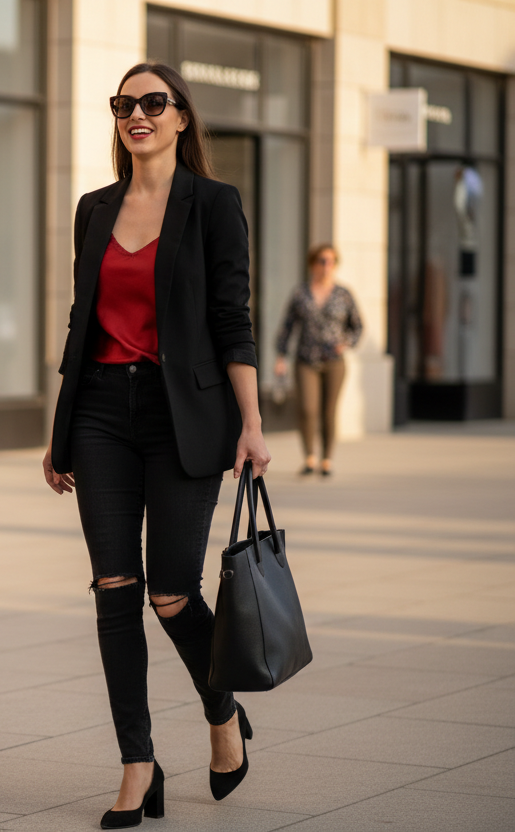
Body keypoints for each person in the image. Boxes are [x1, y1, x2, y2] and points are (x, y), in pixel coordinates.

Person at [42, 62, 270, 829]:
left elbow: (233, 319)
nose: (135, 113)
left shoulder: (214, 204)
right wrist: (60, 430)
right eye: (123, 104)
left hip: (183, 416)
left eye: (152, 102)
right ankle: (137, 763)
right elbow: (80, 323)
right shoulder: (94, 208)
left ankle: (221, 712)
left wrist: (251, 423)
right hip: (101, 413)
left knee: (173, 594)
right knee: (114, 588)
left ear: (180, 116)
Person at [273, 244, 363, 477]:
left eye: (331, 261)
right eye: (322, 261)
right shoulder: (300, 293)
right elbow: (287, 326)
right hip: (306, 359)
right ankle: (309, 458)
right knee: (307, 408)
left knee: (328, 411)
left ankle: (327, 460)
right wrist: (281, 356)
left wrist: (346, 342)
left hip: (334, 361)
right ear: (313, 263)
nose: (327, 266)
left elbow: (358, 326)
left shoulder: (343, 294)